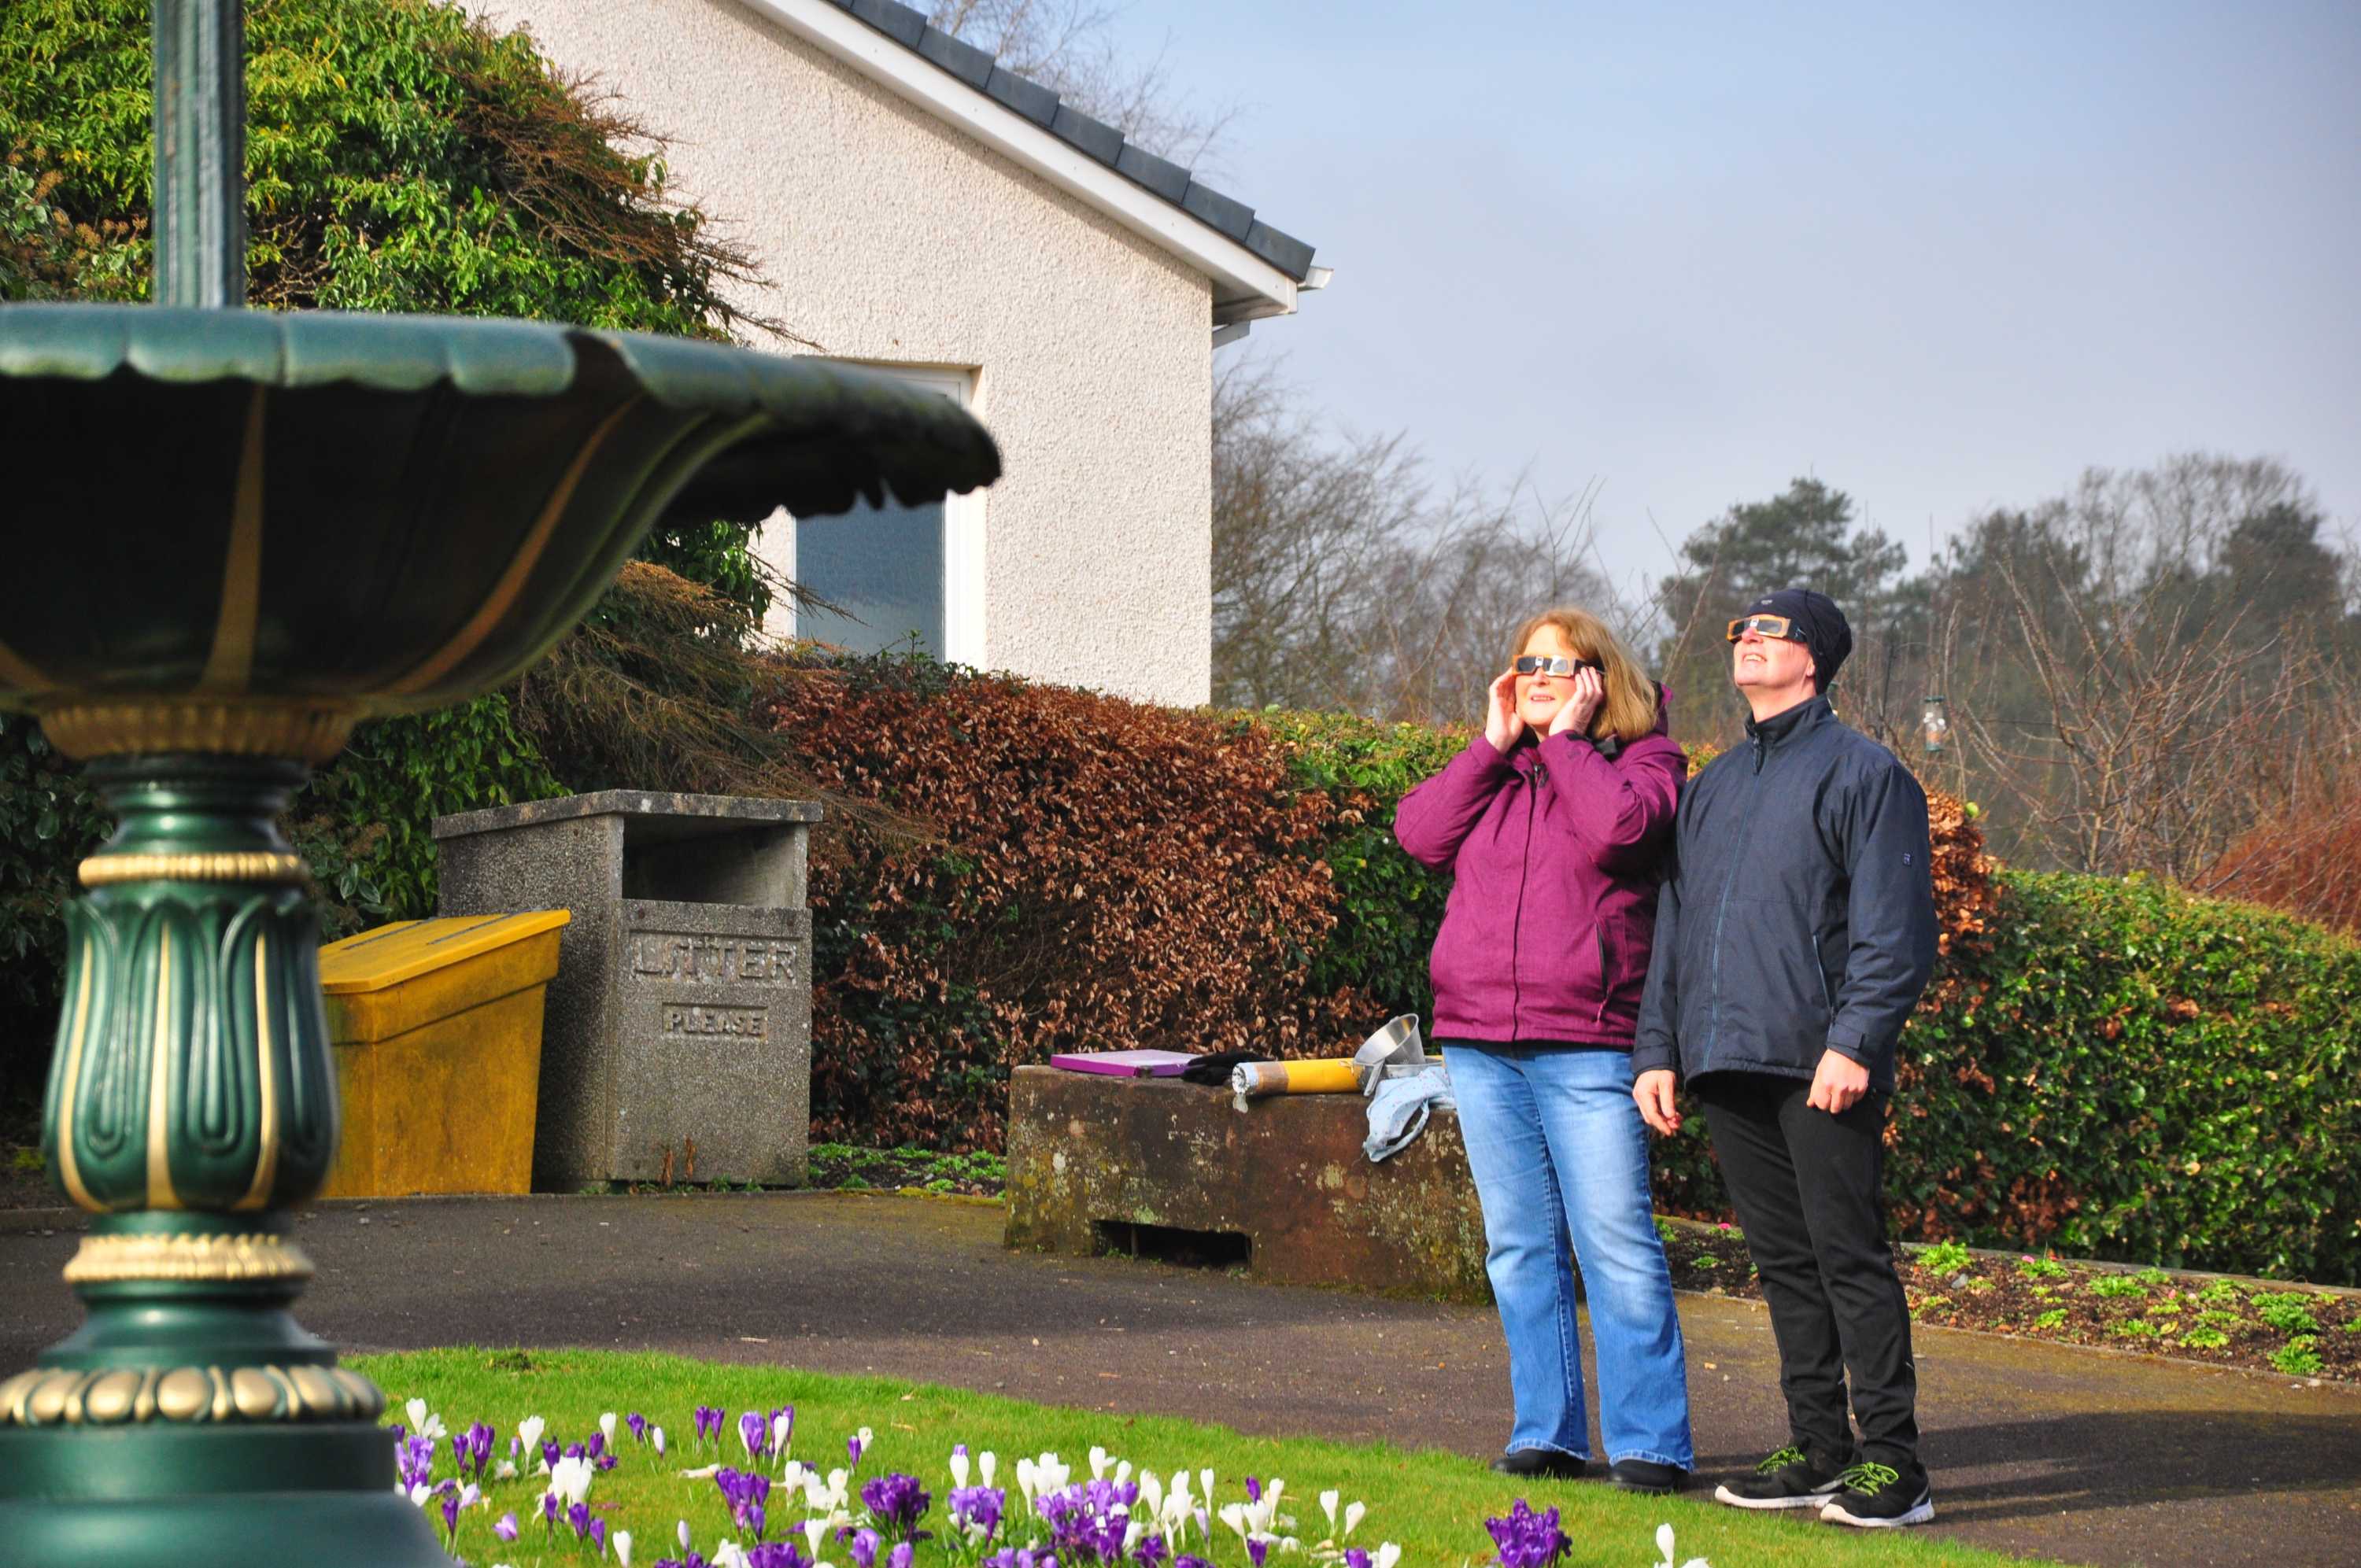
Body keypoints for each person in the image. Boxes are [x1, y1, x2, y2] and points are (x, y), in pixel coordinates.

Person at [1630, 587, 1939, 1529]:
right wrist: (1659, 1050)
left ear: (1817, 658)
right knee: (1785, 1263)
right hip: (1726, 1062)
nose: (1749, 641)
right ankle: (1817, 1450)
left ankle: (1895, 1464)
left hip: (1820, 1065)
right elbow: (1675, 929)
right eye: (1742, 631)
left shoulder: (1867, 774)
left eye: (1772, 631)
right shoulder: (1714, 784)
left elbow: (1897, 935)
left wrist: (1854, 1043)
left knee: (1848, 1256)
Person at [1393, 607, 1694, 1493]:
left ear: (1599, 680)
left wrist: (1566, 745)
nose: (1537, 676)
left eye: (1559, 665)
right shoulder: (1498, 769)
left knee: (1615, 1241)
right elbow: (1419, 836)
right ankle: (1548, 1432)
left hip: (1587, 1042)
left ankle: (1651, 1444)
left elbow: (1624, 834)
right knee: (1520, 1244)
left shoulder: (1645, 763)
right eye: (1526, 663)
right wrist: (1491, 747)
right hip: (1481, 1041)